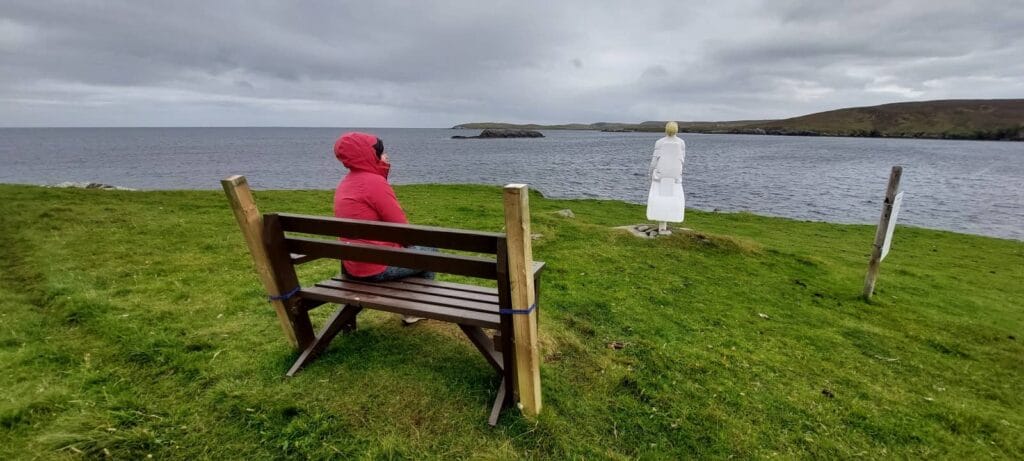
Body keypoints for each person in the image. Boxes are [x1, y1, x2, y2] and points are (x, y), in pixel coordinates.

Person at [332, 131, 432, 324]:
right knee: (429, 252)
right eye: (382, 152)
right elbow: (404, 231)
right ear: (369, 155)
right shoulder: (374, 183)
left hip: (353, 266)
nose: (386, 155)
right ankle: (416, 309)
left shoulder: (346, 183)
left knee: (412, 253)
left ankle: (411, 306)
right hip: (377, 268)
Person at [645, 121, 686, 235]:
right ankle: (665, 224)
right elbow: (682, 160)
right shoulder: (681, 143)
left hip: (659, 176)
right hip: (675, 178)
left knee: (658, 199)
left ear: (666, 129)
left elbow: (654, 161)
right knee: (670, 200)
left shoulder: (659, 142)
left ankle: (661, 224)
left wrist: (650, 173)